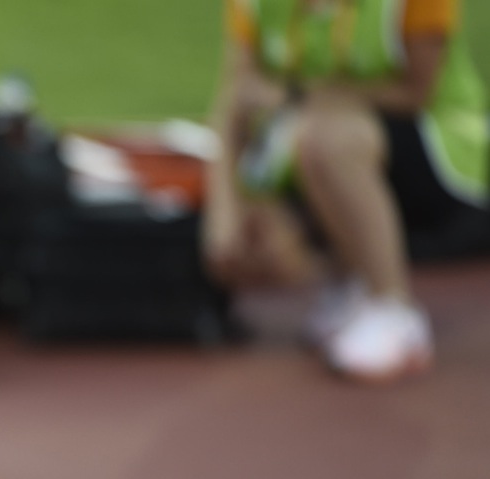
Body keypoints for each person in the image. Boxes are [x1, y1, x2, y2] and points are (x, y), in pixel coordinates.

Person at [201, 0, 489, 384]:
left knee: (327, 136)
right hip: (324, 137)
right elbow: (236, 99)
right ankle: (346, 281)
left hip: (445, 173)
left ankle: (393, 309)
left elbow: (420, 91)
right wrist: (229, 216)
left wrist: (296, 97)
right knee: (291, 153)